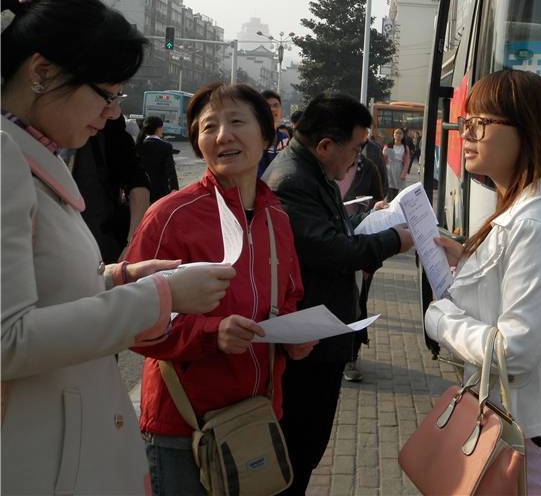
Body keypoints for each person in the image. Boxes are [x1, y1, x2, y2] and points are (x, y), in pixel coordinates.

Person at [1, 0, 234, 496]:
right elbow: (8, 340)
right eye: (106, 93)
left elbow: (42, 286)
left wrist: (119, 277)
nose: (111, 113)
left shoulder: (33, 157)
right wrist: (162, 296)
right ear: (41, 72)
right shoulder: (4, 159)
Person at [125, 82, 315, 495]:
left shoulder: (276, 218)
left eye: (237, 122)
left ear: (267, 135)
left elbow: (289, 295)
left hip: (256, 416)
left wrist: (295, 337)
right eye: (209, 127)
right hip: (183, 428)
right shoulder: (170, 216)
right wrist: (213, 334)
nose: (223, 135)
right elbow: (132, 319)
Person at [425, 69, 541, 495]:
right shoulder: (532, 204)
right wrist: (469, 258)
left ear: (527, 132)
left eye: (479, 124)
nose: (465, 134)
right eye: (464, 122)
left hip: (522, 438)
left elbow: (515, 353)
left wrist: (439, 319)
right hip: (522, 426)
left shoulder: (534, 222)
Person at [264, 94, 414, 494]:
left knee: (307, 446)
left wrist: (367, 218)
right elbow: (331, 251)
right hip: (307, 343)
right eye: (357, 147)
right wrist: (392, 240)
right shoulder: (294, 180)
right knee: (298, 448)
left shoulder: (311, 172)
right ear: (326, 145)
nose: (359, 158)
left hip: (322, 336)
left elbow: (328, 234)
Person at [64, 112, 152, 263]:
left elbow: (136, 180)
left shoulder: (108, 126)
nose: (114, 109)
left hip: (99, 244)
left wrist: (132, 243)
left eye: (116, 97)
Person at [335, 151, 386, 382]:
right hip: (332, 244)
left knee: (357, 303)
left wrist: (374, 210)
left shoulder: (369, 168)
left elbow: (379, 197)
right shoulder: (322, 167)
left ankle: (350, 357)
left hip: (361, 245)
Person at [136, 115, 179, 203]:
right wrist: (174, 189)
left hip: (141, 190)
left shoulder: (139, 145)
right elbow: (171, 171)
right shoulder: (165, 146)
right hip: (160, 192)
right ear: (158, 129)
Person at [257, 89, 290, 176]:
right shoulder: (252, 137)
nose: (273, 109)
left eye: (276, 105)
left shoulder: (284, 138)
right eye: (267, 106)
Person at [383, 127, 411, 200]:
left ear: (403, 136)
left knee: (396, 193)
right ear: (393, 134)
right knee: (389, 193)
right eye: (396, 133)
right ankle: (388, 208)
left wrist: (403, 174)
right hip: (389, 170)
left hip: (399, 170)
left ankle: (393, 208)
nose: (398, 135)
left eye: (400, 133)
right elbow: (383, 159)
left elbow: (406, 162)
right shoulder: (388, 146)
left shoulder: (405, 148)